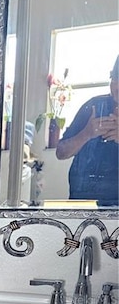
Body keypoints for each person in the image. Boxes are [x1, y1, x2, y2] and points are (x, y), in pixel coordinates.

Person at [55, 55, 119, 206]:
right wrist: (87, 133)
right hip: (83, 204)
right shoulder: (93, 107)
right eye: (114, 78)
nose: (116, 86)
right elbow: (61, 152)